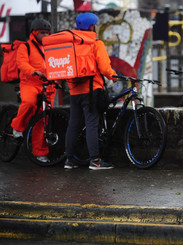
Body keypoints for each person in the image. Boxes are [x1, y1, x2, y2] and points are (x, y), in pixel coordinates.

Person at [64, 13, 117, 170]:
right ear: (92, 26)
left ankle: (69, 160)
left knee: (73, 125)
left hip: (74, 91)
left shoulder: (71, 43)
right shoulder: (95, 43)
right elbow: (104, 67)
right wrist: (113, 76)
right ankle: (95, 160)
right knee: (92, 123)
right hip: (91, 90)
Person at [11, 19, 55, 163]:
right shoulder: (25, 47)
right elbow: (21, 63)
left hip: (48, 86)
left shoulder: (51, 48)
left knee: (43, 120)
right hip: (30, 82)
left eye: (46, 33)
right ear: (34, 33)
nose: (45, 35)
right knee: (29, 103)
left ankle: (40, 153)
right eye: (42, 33)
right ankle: (17, 127)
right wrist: (33, 71)